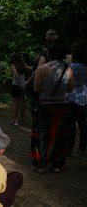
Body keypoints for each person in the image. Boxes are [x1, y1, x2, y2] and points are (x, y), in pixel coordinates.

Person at [31, 43, 74, 173]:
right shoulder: (69, 70)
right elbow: (70, 89)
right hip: (63, 107)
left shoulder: (42, 69)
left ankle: (40, 163)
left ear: (49, 53)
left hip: (45, 105)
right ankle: (57, 163)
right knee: (60, 135)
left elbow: (36, 89)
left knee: (42, 135)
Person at [68, 40, 87, 153]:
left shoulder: (72, 67)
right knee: (83, 124)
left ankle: (69, 148)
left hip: (72, 98)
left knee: (71, 126)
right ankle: (82, 147)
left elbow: (67, 82)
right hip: (84, 98)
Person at [10, 53, 30, 125]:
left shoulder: (13, 65)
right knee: (22, 103)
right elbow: (31, 68)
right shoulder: (23, 65)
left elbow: (16, 76)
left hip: (16, 85)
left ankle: (14, 120)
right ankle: (22, 119)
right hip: (23, 86)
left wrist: (20, 84)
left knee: (15, 104)